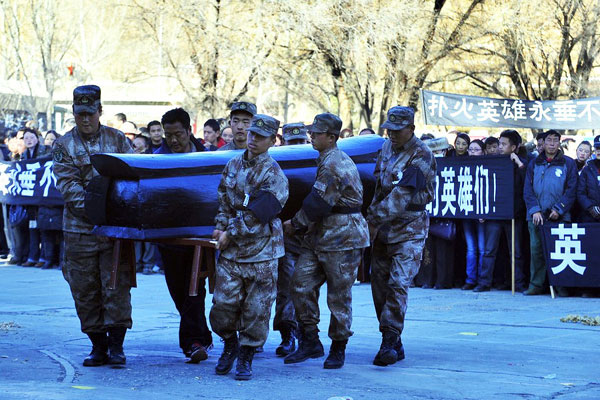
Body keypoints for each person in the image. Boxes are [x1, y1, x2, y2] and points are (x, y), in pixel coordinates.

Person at [53, 85, 133, 366]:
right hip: (80, 230)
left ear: (100, 111)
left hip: (114, 230)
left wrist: (116, 213)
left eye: (90, 113)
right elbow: (69, 186)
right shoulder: (64, 145)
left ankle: (116, 346)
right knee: (85, 290)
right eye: (79, 114)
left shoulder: (119, 140)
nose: (85, 119)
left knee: (116, 287)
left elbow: (133, 177)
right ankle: (98, 346)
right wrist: (98, 210)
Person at [283, 113, 369, 369]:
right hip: (320, 235)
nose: (311, 135)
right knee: (300, 284)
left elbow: (318, 203)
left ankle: (338, 346)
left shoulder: (334, 164)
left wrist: (293, 225)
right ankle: (310, 340)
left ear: (331, 138)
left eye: (317, 132)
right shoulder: (325, 159)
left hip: (342, 236)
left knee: (339, 295)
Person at [209, 114, 288, 380]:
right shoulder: (232, 164)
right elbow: (223, 200)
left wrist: (230, 232)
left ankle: (246, 354)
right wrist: (220, 225)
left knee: (257, 309)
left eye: (260, 137)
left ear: (272, 141)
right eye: (252, 134)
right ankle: (230, 343)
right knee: (222, 306)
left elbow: (258, 215)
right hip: (232, 253)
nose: (253, 140)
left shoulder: (274, 174)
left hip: (262, 253)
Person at [366, 106, 435, 366]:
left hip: (409, 230)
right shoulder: (386, 148)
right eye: (389, 130)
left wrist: (372, 220)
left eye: (398, 130)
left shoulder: (421, 155)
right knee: (379, 287)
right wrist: (372, 217)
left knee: (398, 284)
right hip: (384, 229)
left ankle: (389, 339)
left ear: (411, 129)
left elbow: (401, 195)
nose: (392, 134)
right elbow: (378, 185)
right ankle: (394, 340)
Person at [153, 108, 212, 362]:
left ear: (189, 131)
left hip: (201, 236)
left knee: (194, 288)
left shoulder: (207, 157)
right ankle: (202, 335)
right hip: (169, 236)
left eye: (178, 134)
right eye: (169, 136)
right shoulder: (156, 159)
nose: (173, 140)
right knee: (178, 289)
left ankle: (193, 342)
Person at [523, 129, 577, 296]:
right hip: (537, 216)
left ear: (559, 143)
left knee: (559, 251)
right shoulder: (534, 163)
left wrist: (559, 209)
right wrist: (535, 210)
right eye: (549, 140)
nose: (552, 143)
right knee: (536, 250)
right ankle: (536, 285)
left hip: (559, 215)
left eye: (555, 140)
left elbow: (571, 189)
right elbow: (527, 189)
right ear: (543, 143)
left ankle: (561, 285)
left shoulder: (568, 163)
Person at [271, 123, 309, 358]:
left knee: (307, 292)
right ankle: (288, 333)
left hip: (313, 238)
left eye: (299, 143)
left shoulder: (316, 164)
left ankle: (307, 334)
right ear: (282, 143)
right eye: (291, 143)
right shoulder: (275, 165)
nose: (295, 148)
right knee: (287, 289)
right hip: (286, 237)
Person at [477, 130, 528, 293]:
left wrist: (519, 164)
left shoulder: (522, 163)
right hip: (494, 212)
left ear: (514, 147)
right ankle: (484, 282)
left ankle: (518, 283)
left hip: (514, 213)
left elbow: (527, 184)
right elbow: (484, 186)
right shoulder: (493, 161)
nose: (500, 147)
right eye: (499, 144)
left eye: (504, 144)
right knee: (489, 250)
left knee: (516, 252)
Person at [21, 128, 49, 268]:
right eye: (26, 138)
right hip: (29, 198)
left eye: (31, 137)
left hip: (43, 197)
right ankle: (32, 256)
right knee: (32, 227)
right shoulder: (23, 155)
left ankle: (44, 257)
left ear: (37, 138)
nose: (29, 140)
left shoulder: (46, 151)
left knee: (43, 228)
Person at [461, 139, 486, 290]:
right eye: (471, 149)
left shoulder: (489, 166)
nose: (473, 152)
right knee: (471, 249)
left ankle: (482, 280)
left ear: (483, 152)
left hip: (482, 214)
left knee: (482, 249)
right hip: (467, 213)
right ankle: (470, 279)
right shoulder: (463, 164)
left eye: (476, 150)